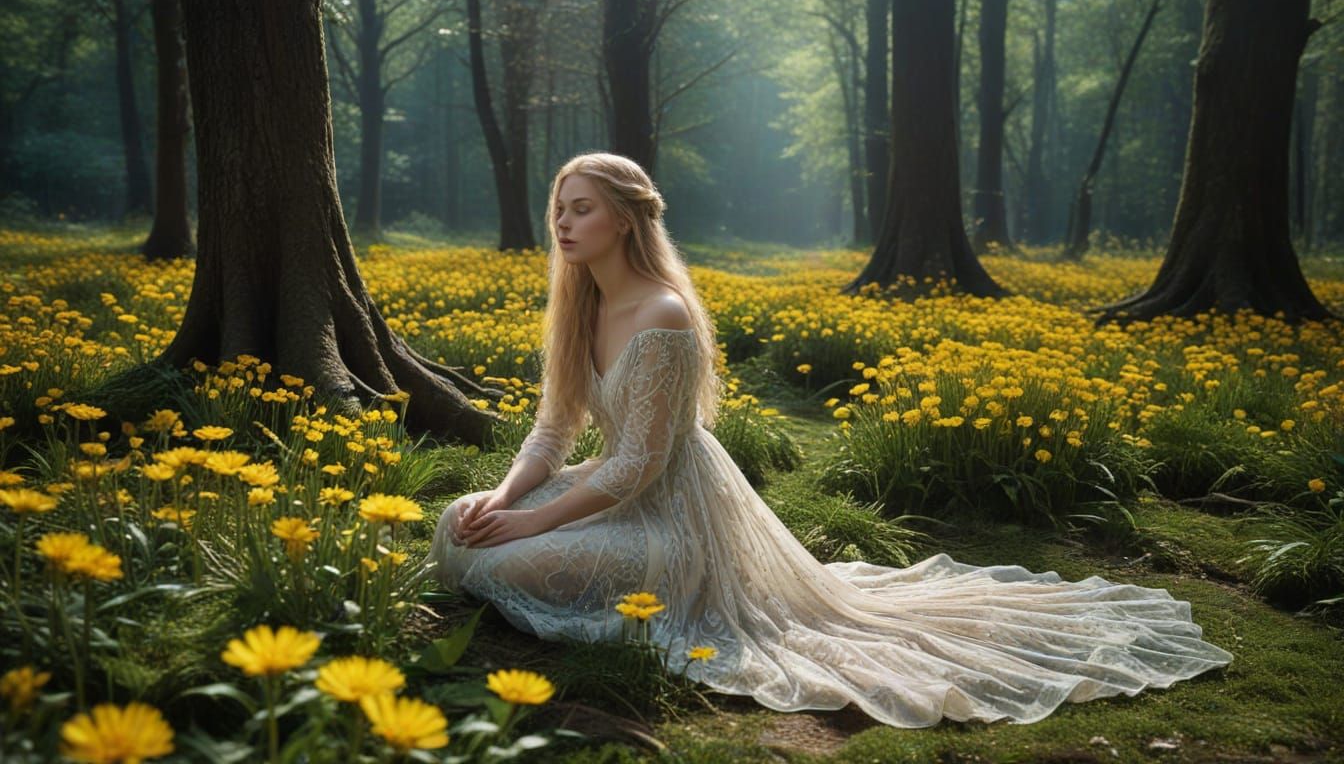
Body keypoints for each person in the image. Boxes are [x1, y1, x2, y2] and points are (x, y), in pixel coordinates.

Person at [423, 152, 1234, 727]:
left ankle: (561, 563)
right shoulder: (582, 309)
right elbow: (554, 429)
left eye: (583, 208)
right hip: (607, 494)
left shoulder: (662, 316)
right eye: (560, 208)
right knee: (459, 522)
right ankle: (518, 538)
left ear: (627, 219)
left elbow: (640, 464)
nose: (564, 223)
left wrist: (531, 524)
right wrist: (505, 498)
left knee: (504, 560)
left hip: (672, 518)